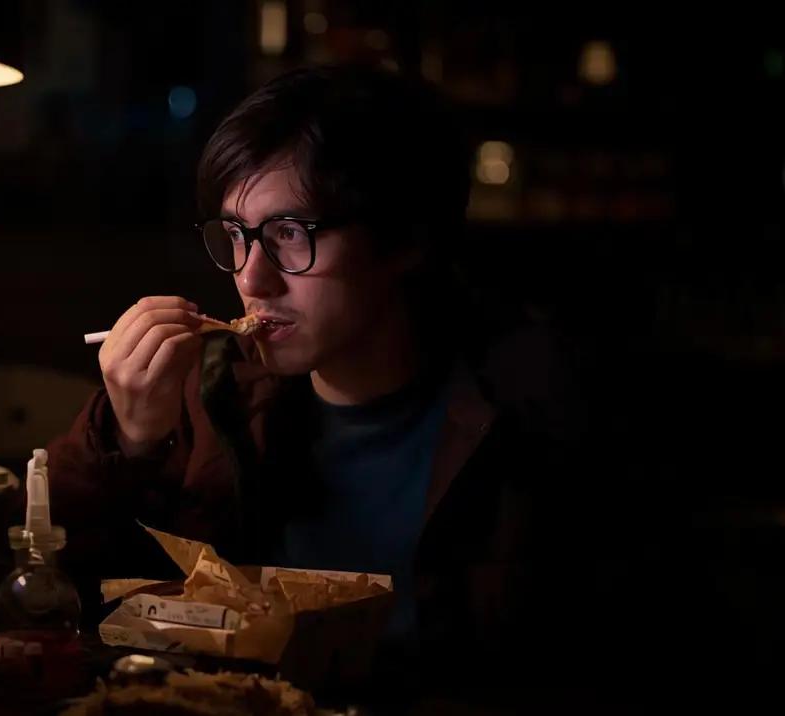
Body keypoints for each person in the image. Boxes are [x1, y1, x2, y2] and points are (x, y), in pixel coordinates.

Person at [49, 65, 589, 695]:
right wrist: (130, 442)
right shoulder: (211, 392)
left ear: (406, 239)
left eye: (290, 233)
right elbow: (65, 598)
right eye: (237, 235)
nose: (252, 279)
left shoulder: (535, 412)